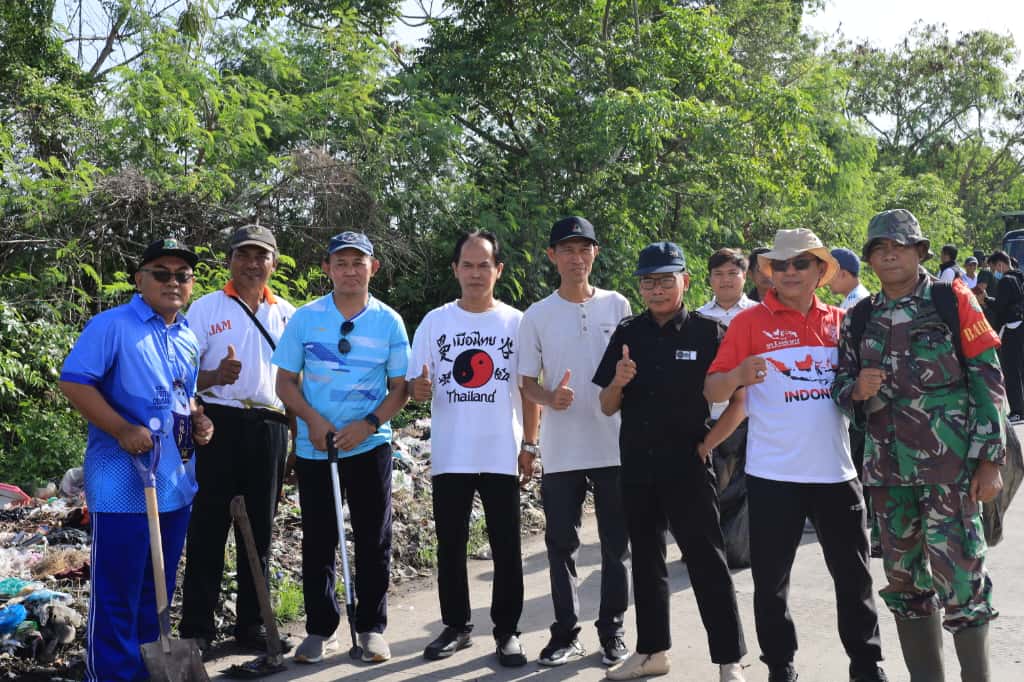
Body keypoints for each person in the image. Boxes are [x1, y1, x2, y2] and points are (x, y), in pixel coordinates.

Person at [705, 228, 887, 682]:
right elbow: (711, 388)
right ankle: (780, 667)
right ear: (768, 273)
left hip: (836, 473)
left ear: (820, 272)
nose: (788, 272)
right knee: (771, 584)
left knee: (855, 580)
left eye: (799, 264)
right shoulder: (747, 324)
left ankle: (866, 666)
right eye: (779, 265)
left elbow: (859, 392)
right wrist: (738, 375)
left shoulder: (842, 323)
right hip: (773, 476)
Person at [832, 208, 1006, 682]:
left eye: (898, 247)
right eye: (879, 250)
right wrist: (856, 389)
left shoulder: (951, 300)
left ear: (919, 252)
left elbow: (988, 380)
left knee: (963, 582)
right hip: (889, 477)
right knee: (905, 584)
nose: (889, 256)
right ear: (869, 260)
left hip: (951, 473)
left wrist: (990, 460)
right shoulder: (860, 316)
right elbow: (840, 385)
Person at [59, 238, 214, 682]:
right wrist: (122, 429)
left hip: (175, 484)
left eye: (182, 275)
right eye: (161, 273)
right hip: (121, 484)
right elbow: (75, 383)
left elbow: (185, 397)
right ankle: (110, 675)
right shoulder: (112, 325)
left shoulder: (186, 335)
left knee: (156, 593)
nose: (173, 282)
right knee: (118, 595)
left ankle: (151, 673)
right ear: (139, 279)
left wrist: (201, 422)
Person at [593, 241, 747, 682]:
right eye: (648, 281)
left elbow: (739, 401)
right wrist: (619, 382)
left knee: (707, 560)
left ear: (685, 281)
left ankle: (728, 659)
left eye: (665, 279)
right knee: (645, 560)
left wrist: (710, 443)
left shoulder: (708, 333)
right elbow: (606, 405)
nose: (656, 289)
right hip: (638, 465)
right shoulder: (628, 333)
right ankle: (653, 652)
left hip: (688, 464)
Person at [272, 231, 410, 664]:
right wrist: (312, 421)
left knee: (373, 539)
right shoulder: (305, 318)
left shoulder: (389, 321)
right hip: (318, 447)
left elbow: (400, 388)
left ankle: (370, 627)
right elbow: (284, 383)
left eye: (358, 262)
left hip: (369, 446)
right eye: (341, 263)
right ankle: (320, 628)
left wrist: (369, 424)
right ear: (328, 268)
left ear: (374, 268)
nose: (350, 271)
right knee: (318, 540)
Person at [408, 230, 540, 667]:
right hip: (453, 453)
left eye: (485, 265)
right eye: (468, 264)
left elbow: (527, 389)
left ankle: (507, 632)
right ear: (455, 270)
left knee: (506, 546)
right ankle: (457, 626)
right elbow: (416, 386)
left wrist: (530, 445)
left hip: (502, 450)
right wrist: (419, 389)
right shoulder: (435, 322)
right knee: (451, 544)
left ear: (498, 270)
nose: (476, 273)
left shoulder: (517, 322)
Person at [517, 216, 632, 668]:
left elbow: (631, 371)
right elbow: (525, 382)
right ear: (552, 257)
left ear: (595, 254)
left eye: (584, 249)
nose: (576, 257)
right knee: (560, 543)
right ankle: (565, 631)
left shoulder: (618, 305)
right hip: (562, 450)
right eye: (566, 249)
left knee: (614, 545)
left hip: (613, 445)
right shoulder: (537, 315)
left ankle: (613, 630)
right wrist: (551, 397)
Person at [180, 225, 296, 654]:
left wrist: (298, 440)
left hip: (270, 425)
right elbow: (182, 376)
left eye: (261, 256)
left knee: (261, 528)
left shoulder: (287, 313)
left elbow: (296, 381)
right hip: (217, 424)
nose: (252, 263)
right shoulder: (205, 310)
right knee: (208, 526)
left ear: (274, 263)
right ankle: (196, 629)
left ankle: (252, 625)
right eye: (243, 255)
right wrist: (215, 377)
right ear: (229, 260)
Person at [986, 250, 1024, 421]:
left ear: (1000, 264)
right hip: (1021, 326)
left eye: (994, 267)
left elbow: (1001, 307)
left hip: (1012, 329)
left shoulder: (1006, 281)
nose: (995, 271)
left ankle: (1017, 410)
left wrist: (986, 299)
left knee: (1011, 370)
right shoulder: (1020, 277)